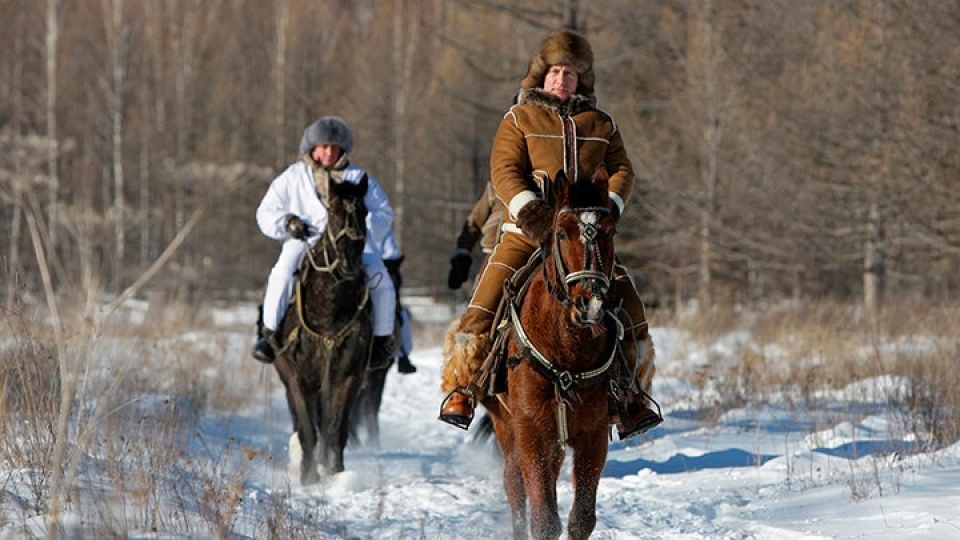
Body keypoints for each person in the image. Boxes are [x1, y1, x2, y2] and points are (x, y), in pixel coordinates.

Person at [438, 30, 662, 440]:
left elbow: (623, 170)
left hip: (585, 237)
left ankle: (632, 398)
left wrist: (608, 208)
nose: (563, 79)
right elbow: (504, 171)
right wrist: (532, 214)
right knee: (484, 303)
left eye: (572, 73)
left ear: (582, 80)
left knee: (630, 303)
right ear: (542, 75)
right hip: (526, 232)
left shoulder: (602, 123)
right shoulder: (518, 119)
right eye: (557, 71)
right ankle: (463, 389)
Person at [252, 116, 397, 369]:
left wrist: (361, 233)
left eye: (335, 147)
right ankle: (269, 335)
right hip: (305, 240)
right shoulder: (293, 177)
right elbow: (265, 212)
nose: (329, 152)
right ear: (312, 148)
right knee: (283, 273)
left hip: (351, 245)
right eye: (324, 146)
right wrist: (288, 223)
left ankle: (381, 342)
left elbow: (383, 211)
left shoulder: (358, 177)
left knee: (381, 279)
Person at [447, 182, 505, 290]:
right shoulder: (498, 181)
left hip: (533, 251)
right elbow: (475, 220)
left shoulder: (543, 178)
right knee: (484, 294)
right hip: (493, 253)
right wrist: (462, 253)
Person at [381, 229, 417, 374]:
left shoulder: (377, 211)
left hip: (381, 263)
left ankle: (403, 354)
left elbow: (392, 251)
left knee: (396, 312)